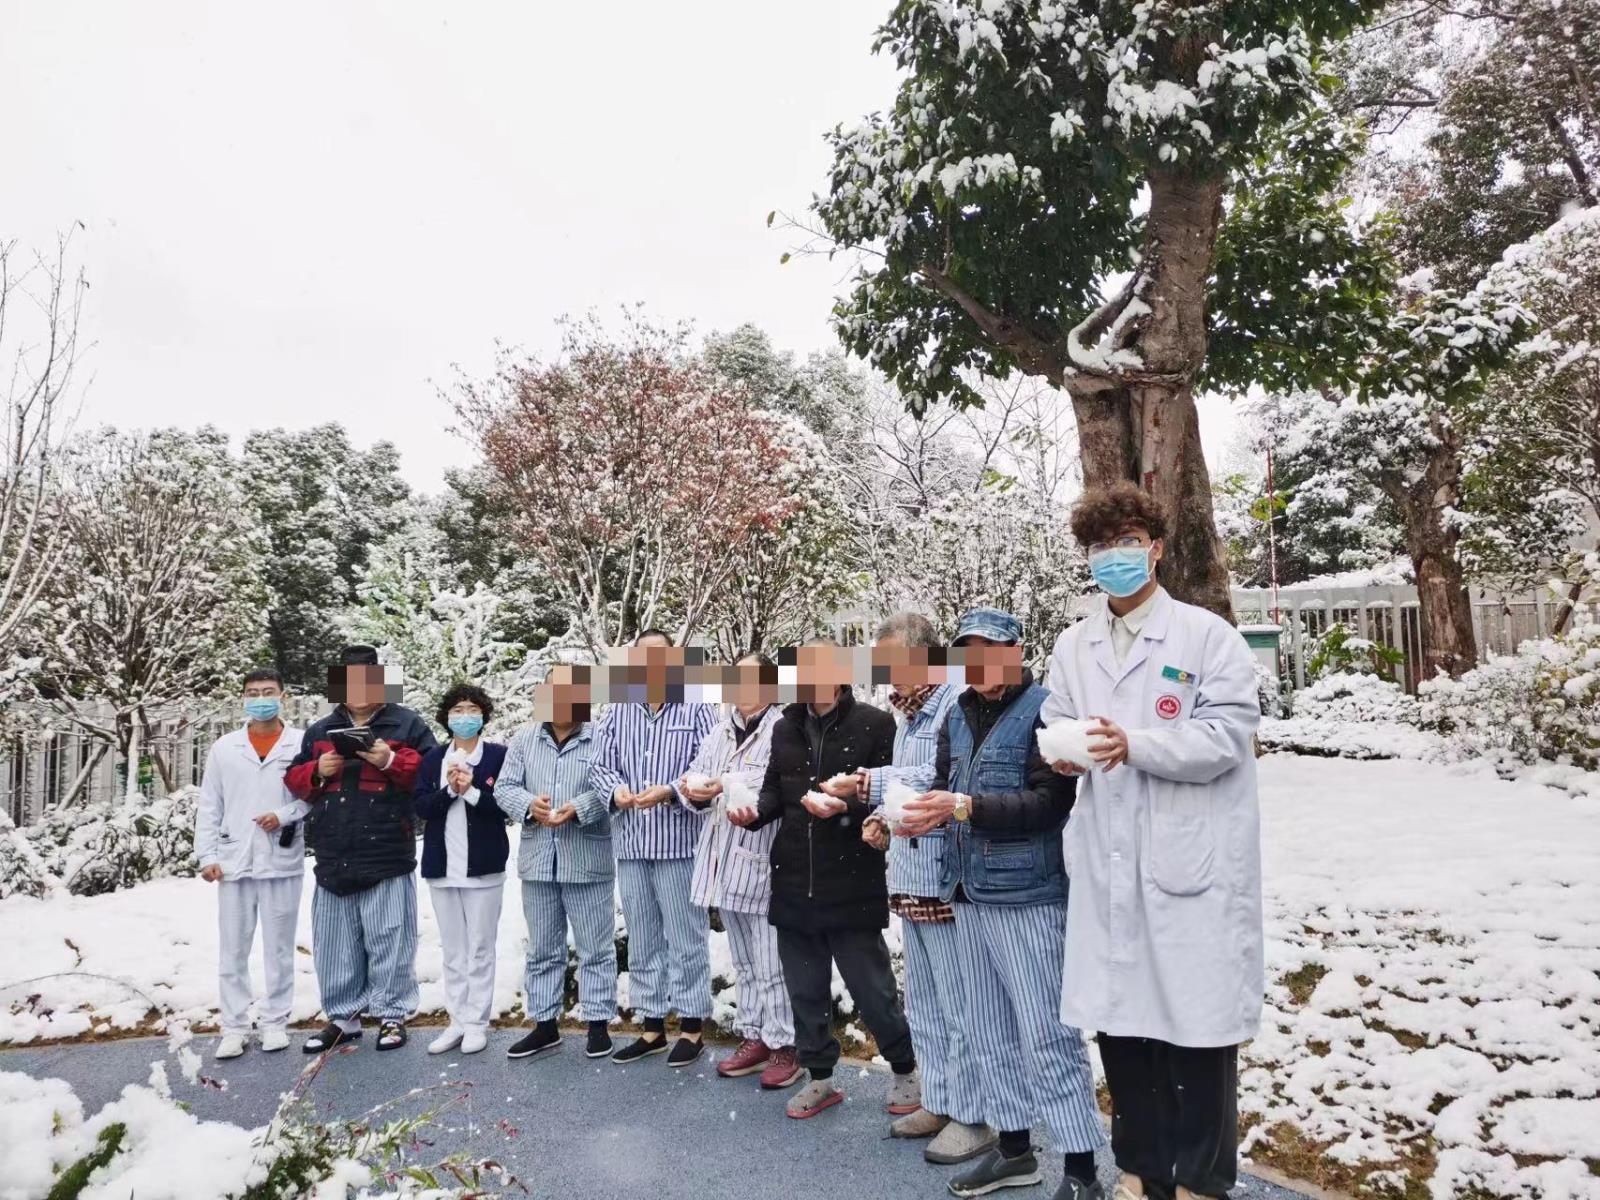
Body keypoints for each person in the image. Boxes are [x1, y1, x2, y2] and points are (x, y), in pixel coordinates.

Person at [1041, 482, 1264, 1200]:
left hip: (1186, 861)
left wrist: (1134, 744)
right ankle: (1141, 1170)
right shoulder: (1074, 645)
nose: (1115, 558)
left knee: (1196, 1033)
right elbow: (1057, 720)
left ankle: (1200, 1178)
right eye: (1102, 548)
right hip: (1107, 859)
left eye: (1128, 543)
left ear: (1157, 548)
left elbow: (1227, 736)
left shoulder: (1206, 637)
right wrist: (1064, 751)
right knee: (1122, 1027)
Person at [896, 608, 1104, 1200]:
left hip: (1029, 897)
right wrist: (907, 822)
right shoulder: (957, 716)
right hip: (966, 893)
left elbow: (1048, 804)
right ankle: (1014, 1151)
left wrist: (964, 808)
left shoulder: (1045, 709)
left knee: (1047, 1035)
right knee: (987, 1030)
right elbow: (943, 789)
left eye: (991, 649)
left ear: (1016, 651)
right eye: (969, 652)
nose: (979, 663)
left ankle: (1082, 1170)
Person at [731, 637, 918, 1120]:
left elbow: (891, 793)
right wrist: (754, 812)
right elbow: (776, 788)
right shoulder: (784, 727)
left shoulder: (875, 725)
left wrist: (847, 806)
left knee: (872, 989)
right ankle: (820, 1079)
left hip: (850, 881)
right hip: (793, 877)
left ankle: (905, 1070)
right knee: (805, 992)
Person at [854, 613, 993, 1163]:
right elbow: (911, 791)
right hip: (912, 873)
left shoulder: (956, 706)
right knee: (929, 1003)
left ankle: (974, 1113)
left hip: (947, 874)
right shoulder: (910, 714)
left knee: (962, 1004)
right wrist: (883, 820)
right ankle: (939, 1097)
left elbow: (945, 782)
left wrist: (870, 786)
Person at [286, 645, 438, 1054]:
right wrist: (317, 771)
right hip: (334, 850)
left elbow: (431, 773)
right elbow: (295, 779)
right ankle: (343, 1018)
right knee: (336, 941)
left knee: (390, 936)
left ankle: (392, 1013)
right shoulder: (320, 730)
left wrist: (390, 760)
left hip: (387, 847)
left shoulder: (407, 723)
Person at [589, 630, 718, 1068]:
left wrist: (672, 791)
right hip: (633, 843)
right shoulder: (618, 710)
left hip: (679, 843)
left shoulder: (696, 707)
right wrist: (618, 791)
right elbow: (600, 766)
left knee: (686, 936)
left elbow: (709, 767)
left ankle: (693, 1026)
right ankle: (651, 1025)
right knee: (643, 938)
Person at [676, 652, 799, 1090]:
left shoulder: (783, 728)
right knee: (744, 962)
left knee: (771, 962)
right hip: (722, 861)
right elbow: (692, 778)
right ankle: (754, 1036)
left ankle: (786, 1044)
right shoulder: (720, 729)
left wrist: (723, 784)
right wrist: (695, 788)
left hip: (762, 857)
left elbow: (777, 788)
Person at [496, 663, 618, 1060]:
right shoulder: (525, 738)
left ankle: (598, 1024)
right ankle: (545, 1024)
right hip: (538, 860)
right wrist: (529, 806)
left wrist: (580, 807)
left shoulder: (602, 737)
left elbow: (613, 786)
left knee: (595, 947)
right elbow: (505, 787)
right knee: (543, 948)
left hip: (587, 859)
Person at [194, 667, 307, 1060]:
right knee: (233, 948)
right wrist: (207, 855)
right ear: (243, 698)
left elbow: (313, 795)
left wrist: (284, 814)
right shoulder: (225, 747)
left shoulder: (300, 743)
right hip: (233, 859)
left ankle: (276, 1022)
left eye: (269, 691)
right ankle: (234, 1026)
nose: (261, 698)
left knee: (278, 947)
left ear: (283, 697)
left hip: (280, 855)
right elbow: (210, 803)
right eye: (253, 692)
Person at [414, 682, 509, 1056]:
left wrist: (470, 790)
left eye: (472, 709)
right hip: (443, 866)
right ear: (446, 717)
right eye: (458, 710)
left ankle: (477, 1022)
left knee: (481, 948)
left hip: (483, 868)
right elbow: (421, 807)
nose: (465, 717)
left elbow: (504, 806)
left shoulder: (498, 756)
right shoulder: (432, 758)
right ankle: (456, 1020)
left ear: (483, 715)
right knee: (453, 951)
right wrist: (449, 790)